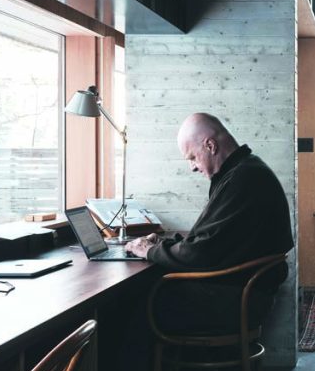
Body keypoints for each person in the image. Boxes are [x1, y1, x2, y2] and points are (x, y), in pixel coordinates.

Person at [126, 111, 294, 332]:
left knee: (133, 301)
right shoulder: (244, 170)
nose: (192, 167)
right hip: (242, 292)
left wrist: (150, 251)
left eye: (192, 158)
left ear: (211, 146)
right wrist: (160, 244)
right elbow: (211, 239)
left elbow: (200, 253)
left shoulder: (243, 179)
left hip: (239, 300)